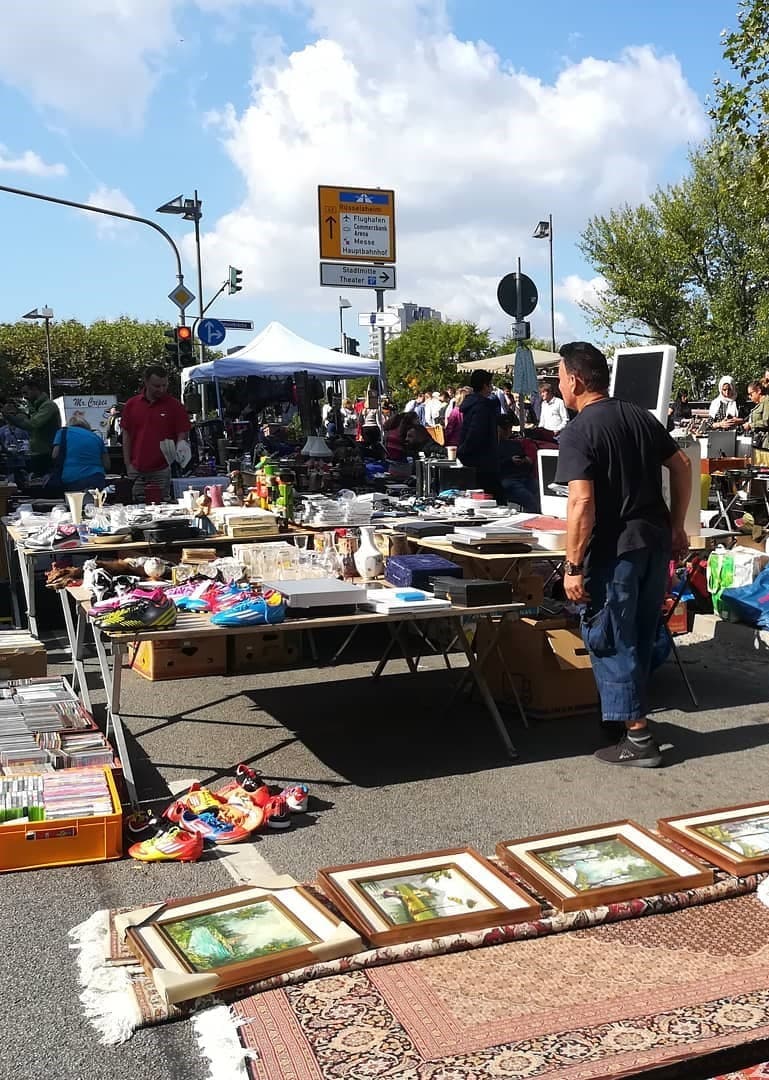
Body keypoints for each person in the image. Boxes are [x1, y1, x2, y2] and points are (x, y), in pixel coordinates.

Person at [555, 341, 692, 768]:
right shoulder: (638, 415)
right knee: (638, 632)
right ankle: (623, 718)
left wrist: (572, 565)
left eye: (559, 378)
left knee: (611, 636)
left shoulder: (578, 431)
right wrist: (677, 525)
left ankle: (638, 736)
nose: (559, 387)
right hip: (653, 542)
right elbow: (683, 464)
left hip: (616, 550)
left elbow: (581, 503)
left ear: (575, 380)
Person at [121, 366, 191, 503]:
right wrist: (128, 464)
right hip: (136, 469)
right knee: (135, 505)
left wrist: (181, 447)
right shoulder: (132, 405)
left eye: (164, 385)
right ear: (146, 382)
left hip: (162, 469)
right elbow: (126, 436)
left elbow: (182, 432)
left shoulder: (175, 406)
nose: (161, 389)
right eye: (157, 386)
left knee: (161, 506)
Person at [458, 369, 504, 499]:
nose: (492, 388)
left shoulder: (472, 404)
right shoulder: (482, 407)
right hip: (483, 461)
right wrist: (464, 450)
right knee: (493, 498)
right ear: (485, 385)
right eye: (490, 384)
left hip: (474, 459)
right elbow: (475, 433)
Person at [2, 376, 60, 475]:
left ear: (35, 390)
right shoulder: (35, 406)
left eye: (26, 393)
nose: (24, 397)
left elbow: (33, 424)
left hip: (46, 453)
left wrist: (9, 416)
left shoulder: (48, 406)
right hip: (38, 452)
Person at [52, 416, 110, 492]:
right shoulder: (96, 437)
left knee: (75, 499)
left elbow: (55, 455)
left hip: (72, 476)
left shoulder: (63, 432)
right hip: (96, 477)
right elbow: (107, 464)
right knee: (96, 499)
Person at [497, 416, 539, 511]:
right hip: (507, 479)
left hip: (524, 477)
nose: (509, 431)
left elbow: (527, 461)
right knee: (530, 501)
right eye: (506, 428)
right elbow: (494, 465)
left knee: (539, 493)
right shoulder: (493, 446)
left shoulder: (516, 443)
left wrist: (525, 460)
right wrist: (510, 461)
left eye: (510, 428)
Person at [743, 381, 769, 447]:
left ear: (759, 391)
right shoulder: (760, 404)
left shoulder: (767, 401)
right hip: (761, 440)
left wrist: (751, 425)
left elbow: (766, 421)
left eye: (751, 394)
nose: (749, 397)